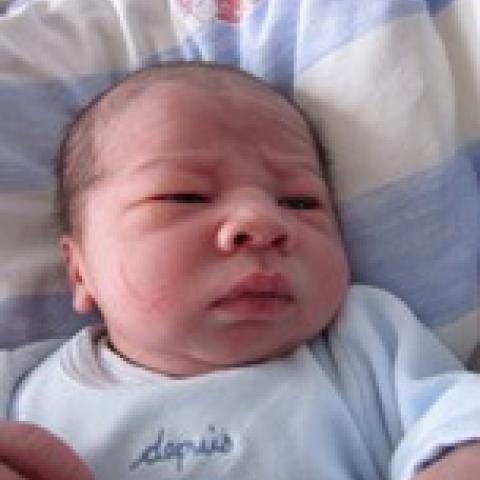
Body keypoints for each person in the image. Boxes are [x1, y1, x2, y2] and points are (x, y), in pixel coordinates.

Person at [2, 62, 480, 480]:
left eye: (301, 202)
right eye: (186, 197)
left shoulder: (365, 340)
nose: (264, 222)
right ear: (80, 271)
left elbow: (460, 421)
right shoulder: (20, 387)